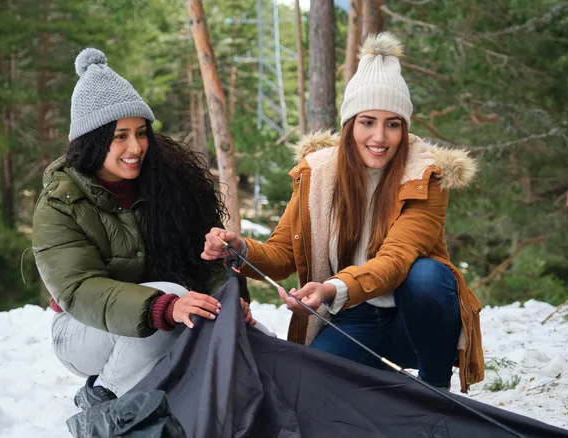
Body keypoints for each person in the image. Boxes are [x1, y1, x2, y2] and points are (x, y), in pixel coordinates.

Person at [201, 33, 485, 392]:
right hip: (355, 316)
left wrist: (332, 289)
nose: (380, 137)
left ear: (404, 127)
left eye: (392, 123)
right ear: (350, 124)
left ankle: (435, 389)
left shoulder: (425, 176)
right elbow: (283, 254)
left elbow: (396, 260)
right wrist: (240, 247)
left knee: (426, 276)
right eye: (368, 121)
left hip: (414, 322)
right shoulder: (317, 174)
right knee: (308, 385)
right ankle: (378, 382)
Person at [31, 48, 256, 408]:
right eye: (119, 136)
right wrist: (163, 306)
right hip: (82, 333)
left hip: (165, 313)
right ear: (93, 141)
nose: (135, 147)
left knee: (254, 337)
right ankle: (104, 395)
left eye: (140, 133)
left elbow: (206, 264)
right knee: (165, 296)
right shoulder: (61, 202)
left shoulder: (170, 183)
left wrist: (230, 302)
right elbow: (79, 290)